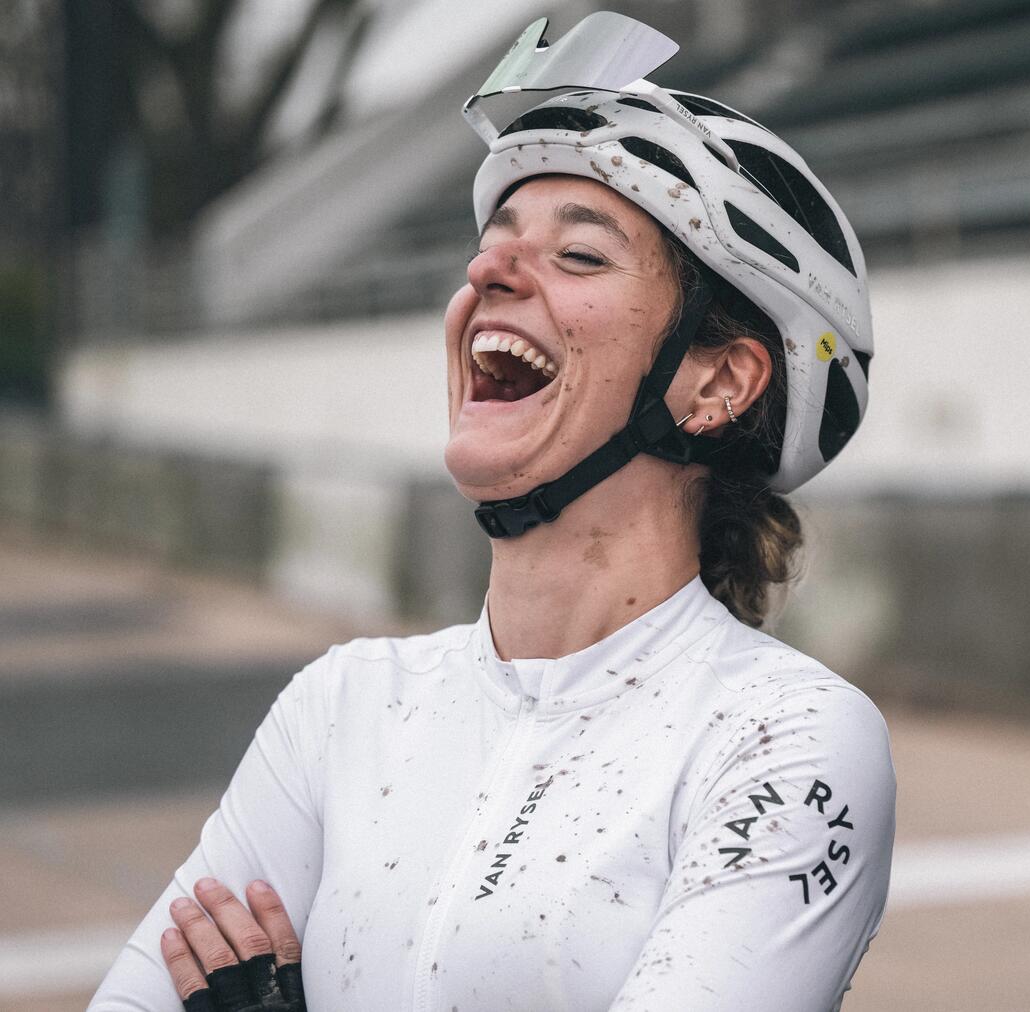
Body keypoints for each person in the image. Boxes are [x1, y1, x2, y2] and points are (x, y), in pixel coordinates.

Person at [88, 11, 890, 1011]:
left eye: (581, 256)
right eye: (495, 244)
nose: (484, 274)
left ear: (717, 380)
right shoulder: (342, 706)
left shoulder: (788, 740)